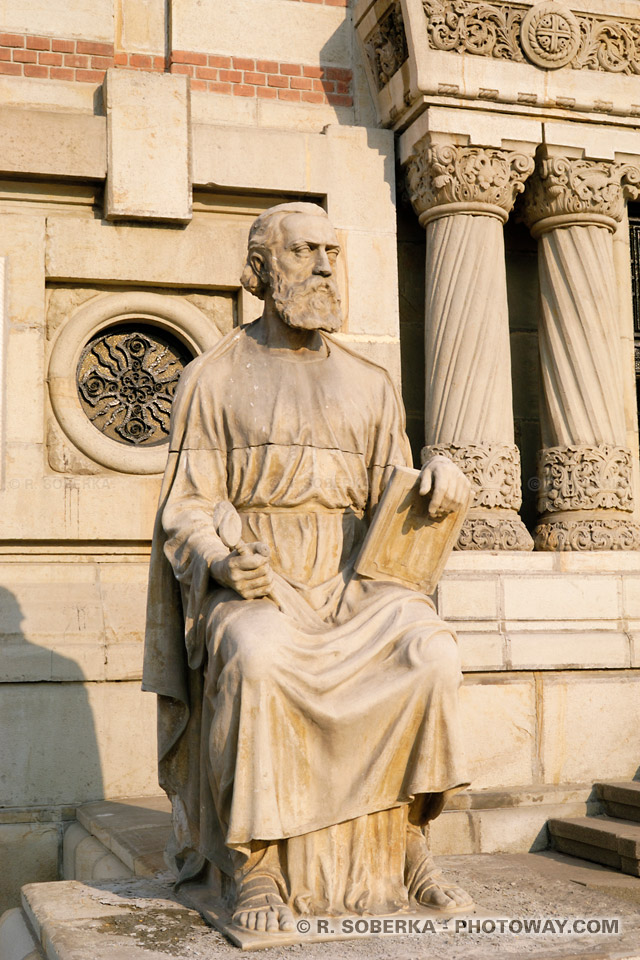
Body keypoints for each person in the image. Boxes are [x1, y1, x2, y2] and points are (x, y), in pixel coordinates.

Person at [143, 202, 474, 935]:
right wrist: (224, 563)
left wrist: (438, 474)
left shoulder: (371, 382)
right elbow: (185, 510)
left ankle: (409, 840)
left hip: (357, 587)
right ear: (260, 271)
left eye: (332, 251)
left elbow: (398, 491)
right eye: (304, 252)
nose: (325, 265)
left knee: (431, 653)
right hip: (265, 582)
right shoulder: (211, 379)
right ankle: (253, 866)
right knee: (255, 656)